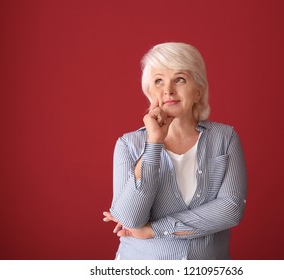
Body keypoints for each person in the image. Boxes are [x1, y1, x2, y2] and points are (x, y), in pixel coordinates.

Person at [103, 42, 247, 260]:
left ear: (198, 90)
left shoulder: (225, 138)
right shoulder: (127, 144)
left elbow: (230, 210)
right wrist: (154, 143)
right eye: (158, 81)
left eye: (180, 79)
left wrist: (154, 229)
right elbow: (131, 218)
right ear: (150, 92)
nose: (168, 90)